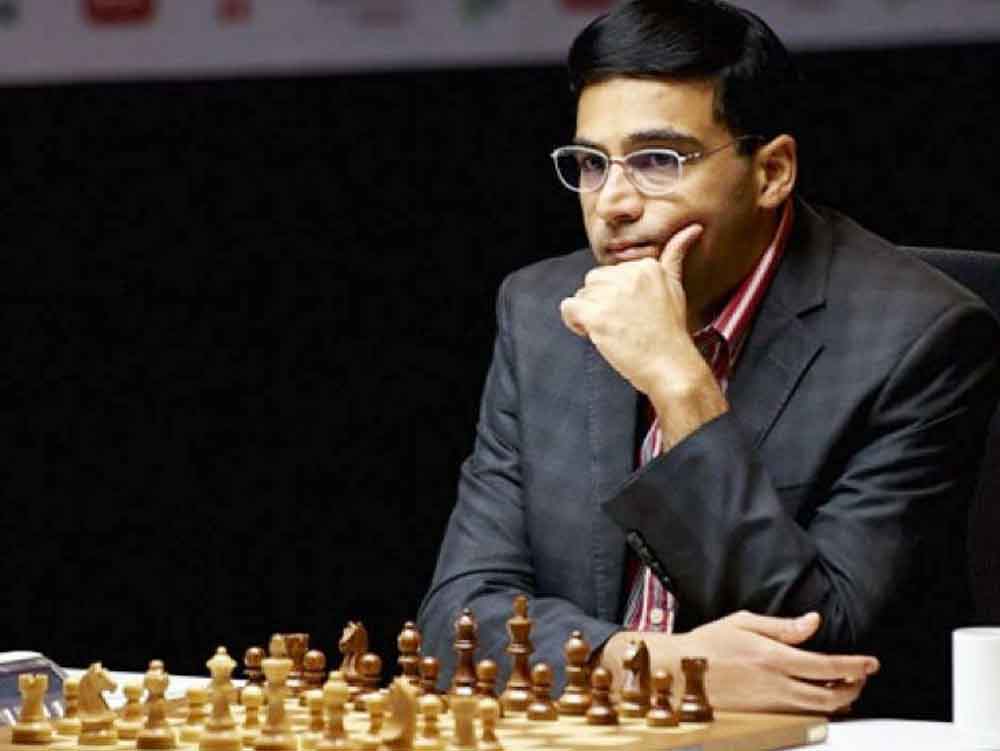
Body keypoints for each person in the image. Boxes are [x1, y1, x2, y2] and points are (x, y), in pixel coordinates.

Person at [417, 0, 1000, 719]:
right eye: (592, 164)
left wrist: (679, 381)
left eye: (657, 161)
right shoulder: (543, 311)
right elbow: (457, 619)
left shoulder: (919, 337)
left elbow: (824, 647)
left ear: (772, 171)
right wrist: (651, 669)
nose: (614, 203)